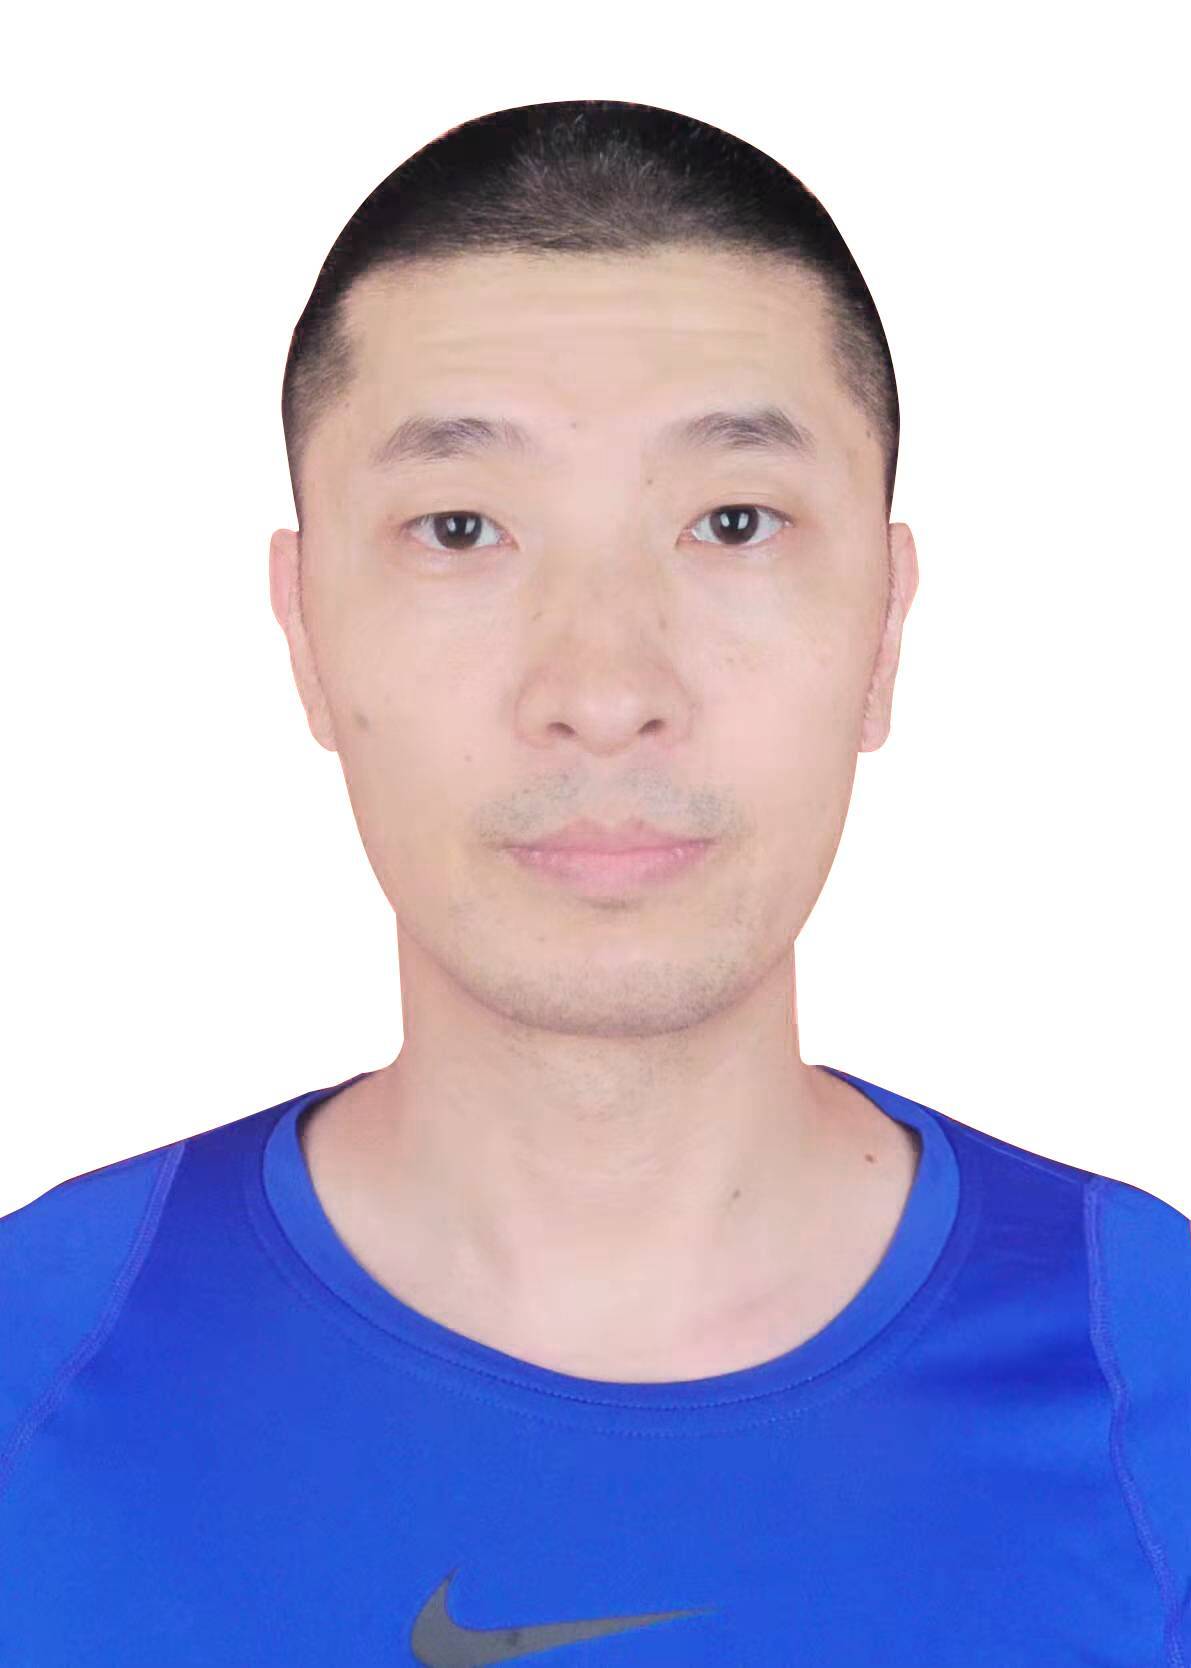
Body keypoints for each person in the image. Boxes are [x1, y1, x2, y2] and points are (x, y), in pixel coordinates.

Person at [2, 99, 1187, 1666]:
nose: (607, 688)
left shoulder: (1154, 1378)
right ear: (306, 631)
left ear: (885, 630)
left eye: (733, 523)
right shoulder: (38, 1366)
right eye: (461, 528)